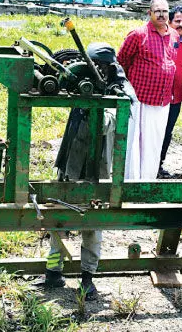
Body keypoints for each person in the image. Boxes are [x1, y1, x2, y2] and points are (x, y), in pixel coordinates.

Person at [35, 43, 130, 300]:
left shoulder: (118, 89)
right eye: (89, 65)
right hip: (71, 160)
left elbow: (109, 123)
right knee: (57, 214)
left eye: (97, 66)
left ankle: (88, 277)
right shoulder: (80, 80)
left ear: (108, 68)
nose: (93, 70)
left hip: (96, 168)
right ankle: (53, 272)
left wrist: (92, 104)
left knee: (92, 222)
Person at [117, 0, 179, 180]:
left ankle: (148, 179)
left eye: (165, 11)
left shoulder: (174, 35)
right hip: (140, 98)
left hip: (162, 101)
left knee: (154, 142)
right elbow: (121, 62)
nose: (161, 15)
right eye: (157, 11)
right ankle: (131, 180)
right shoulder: (138, 34)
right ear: (149, 13)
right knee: (135, 143)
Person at [158, 5, 182, 178]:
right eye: (177, 21)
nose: (180, 25)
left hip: (176, 97)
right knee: (154, 130)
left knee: (167, 132)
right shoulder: (161, 40)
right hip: (157, 96)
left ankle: (159, 165)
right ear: (169, 21)